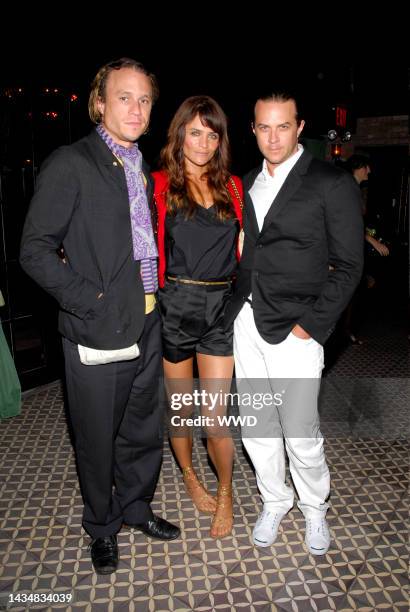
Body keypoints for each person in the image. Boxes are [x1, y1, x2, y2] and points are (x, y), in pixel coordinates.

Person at [20, 58, 180, 575]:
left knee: (141, 429)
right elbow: (35, 250)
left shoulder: (139, 165)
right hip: (96, 324)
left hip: (150, 318)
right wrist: (91, 299)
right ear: (100, 103)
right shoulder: (72, 163)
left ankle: (136, 508)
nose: (135, 108)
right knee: (95, 437)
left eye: (145, 99)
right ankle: (102, 525)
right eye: (124, 97)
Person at [224, 90, 364, 555]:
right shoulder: (245, 183)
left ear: (300, 126)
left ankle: (314, 508)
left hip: (296, 327)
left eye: (283, 126)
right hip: (247, 321)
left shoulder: (330, 181)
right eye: (264, 127)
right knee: (257, 425)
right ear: (253, 129)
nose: (274, 136)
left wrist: (311, 325)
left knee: (300, 430)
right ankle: (275, 499)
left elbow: (349, 266)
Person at [152, 96, 243, 538]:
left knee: (216, 417)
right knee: (180, 407)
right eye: (195, 132)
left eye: (212, 134)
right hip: (176, 306)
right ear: (180, 134)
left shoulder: (235, 188)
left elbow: (248, 251)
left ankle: (226, 491)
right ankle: (189, 475)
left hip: (219, 309)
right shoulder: (158, 186)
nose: (204, 142)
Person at [343, 154, 390, 343]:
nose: (369, 171)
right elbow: (347, 225)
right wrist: (373, 241)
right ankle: (345, 333)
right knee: (349, 294)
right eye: (367, 167)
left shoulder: (355, 189)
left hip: (354, 249)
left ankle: (347, 332)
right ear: (360, 168)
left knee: (355, 293)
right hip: (347, 251)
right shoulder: (348, 189)